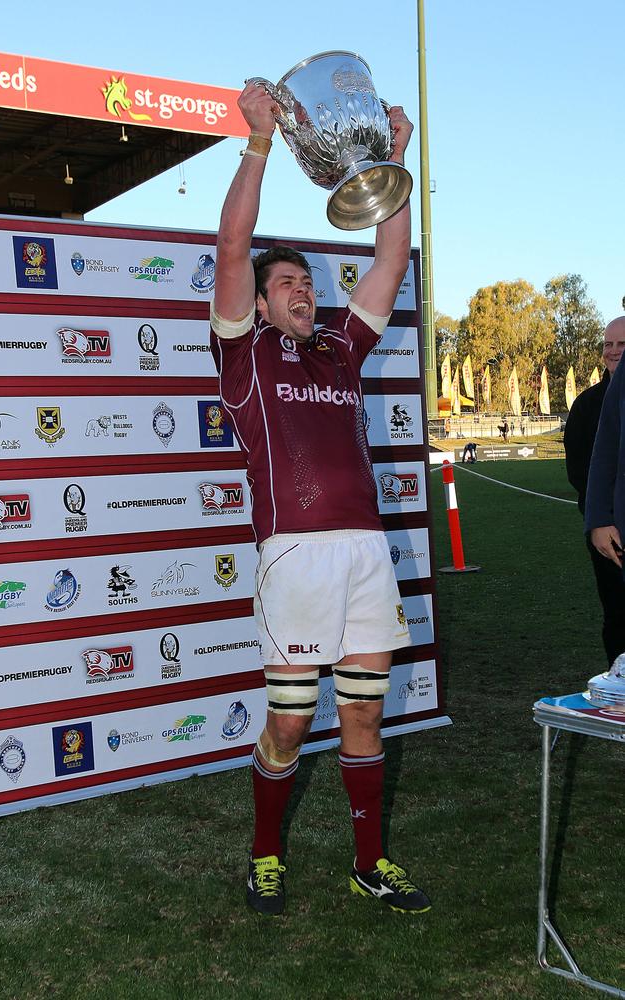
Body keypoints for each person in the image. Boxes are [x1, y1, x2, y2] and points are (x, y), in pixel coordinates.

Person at [210, 81, 430, 918]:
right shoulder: (245, 357)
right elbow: (233, 250)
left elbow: (390, 262)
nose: (303, 291)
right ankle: (266, 853)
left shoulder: (341, 348)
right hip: (295, 556)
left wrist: (392, 163)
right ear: (261, 304)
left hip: (365, 553)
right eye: (289, 284)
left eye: (307, 281)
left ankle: (367, 862)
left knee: (366, 720)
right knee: (294, 726)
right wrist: (260, 142)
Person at [584, 317, 625, 664]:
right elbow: (604, 450)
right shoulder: (597, 398)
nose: (614, 352)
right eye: (609, 344)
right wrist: (598, 517)